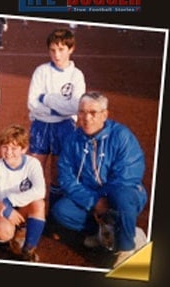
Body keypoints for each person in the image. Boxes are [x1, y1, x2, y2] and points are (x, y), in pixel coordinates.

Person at [50, 91, 148, 268]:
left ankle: (126, 248)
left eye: (93, 112)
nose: (86, 118)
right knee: (61, 210)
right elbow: (66, 177)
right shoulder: (73, 139)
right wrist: (93, 201)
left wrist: (103, 199)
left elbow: (127, 176)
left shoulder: (122, 136)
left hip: (122, 195)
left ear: (104, 115)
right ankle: (103, 232)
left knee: (122, 196)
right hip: (93, 199)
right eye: (82, 112)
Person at [27, 28, 86, 211]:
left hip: (65, 127)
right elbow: (32, 103)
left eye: (61, 50)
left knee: (57, 174)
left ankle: (53, 216)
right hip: (40, 127)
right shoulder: (41, 71)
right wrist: (60, 107)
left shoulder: (76, 75)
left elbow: (76, 106)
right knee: (34, 171)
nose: (57, 55)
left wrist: (47, 98)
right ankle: (31, 214)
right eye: (52, 50)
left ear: (71, 49)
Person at [0, 124, 46, 262]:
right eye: (5, 147)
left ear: (24, 149)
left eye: (14, 148)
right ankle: (4, 242)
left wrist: (10, 201)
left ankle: (28, 249)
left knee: (39, 204)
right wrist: (7, 211)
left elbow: (40, 190)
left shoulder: (32, 164)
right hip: (1, 212)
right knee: (5, 231)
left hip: (20, 209)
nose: (8, 152)